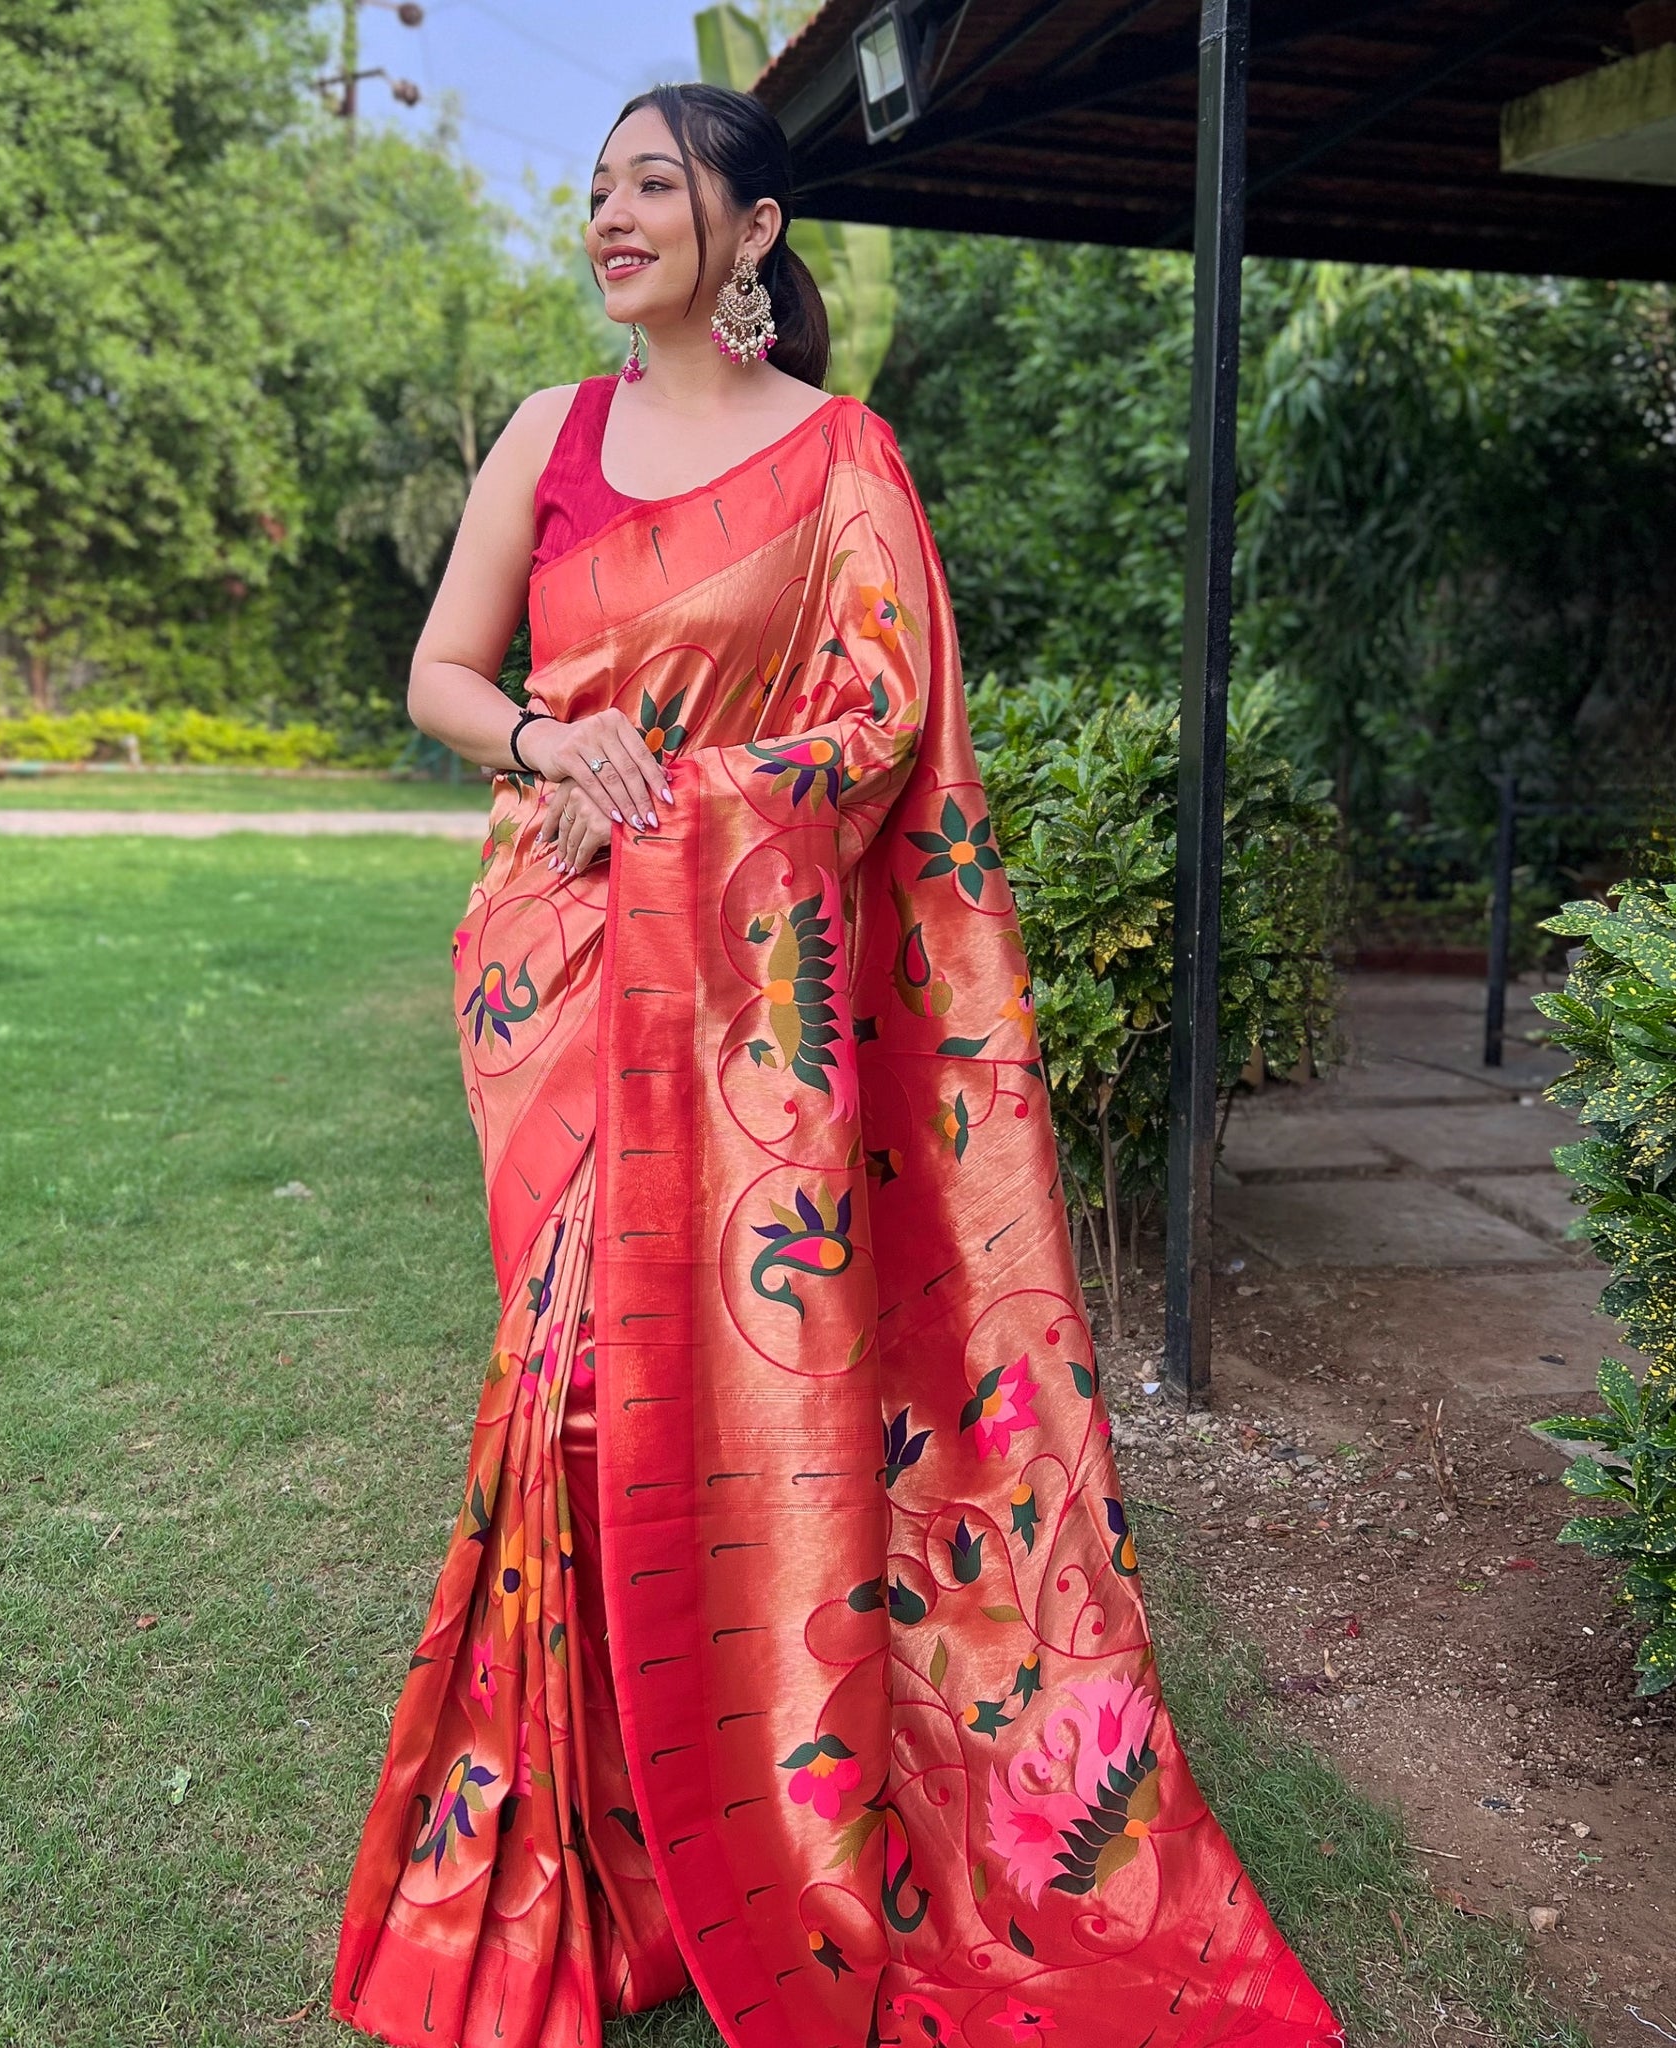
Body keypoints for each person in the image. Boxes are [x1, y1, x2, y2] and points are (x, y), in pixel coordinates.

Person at [330, 80, 1341, 2048]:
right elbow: (445, 678)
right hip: (559, 974)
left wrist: (695, 790)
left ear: (752, 229)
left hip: (744, 1008)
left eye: (654, 185)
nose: (611, 214)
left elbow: (883, 731)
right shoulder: (548, 438)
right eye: (598, 186)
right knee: (567, 1403)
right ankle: (577, 1852)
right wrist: (552, 752)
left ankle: (736, 1822)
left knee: (697, 1402)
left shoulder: (839, 460)